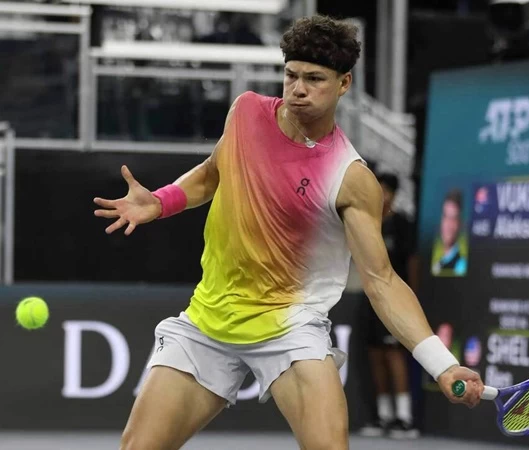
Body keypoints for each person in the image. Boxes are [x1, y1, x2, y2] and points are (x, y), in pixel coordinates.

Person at [93, 14, 484, 450]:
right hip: (209, 318)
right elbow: (212, 173)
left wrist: (442, 364)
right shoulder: (245, 112)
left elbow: (382, 281)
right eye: (291, 75)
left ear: (344, 84)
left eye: (314, 79)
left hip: (290, 326)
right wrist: (161, 201)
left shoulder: (350, 178)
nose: (298, 89)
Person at [359, 173, 420, 439]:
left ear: (394, 195)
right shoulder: (367, 223)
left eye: (386, 191)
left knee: (394, 354)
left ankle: (404, 419)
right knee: (376, 355)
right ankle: (383, 417)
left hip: (396, 300)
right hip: (371, 299)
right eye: (378, 190)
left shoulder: (402, 224)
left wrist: (412, 299)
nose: (382, 196)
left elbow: (413, 262)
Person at [431, 189, 468, 277]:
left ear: (460, 223)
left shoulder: (461, 266)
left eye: (454, 218)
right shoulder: (437, 262)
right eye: (445, 216)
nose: (448, 225)